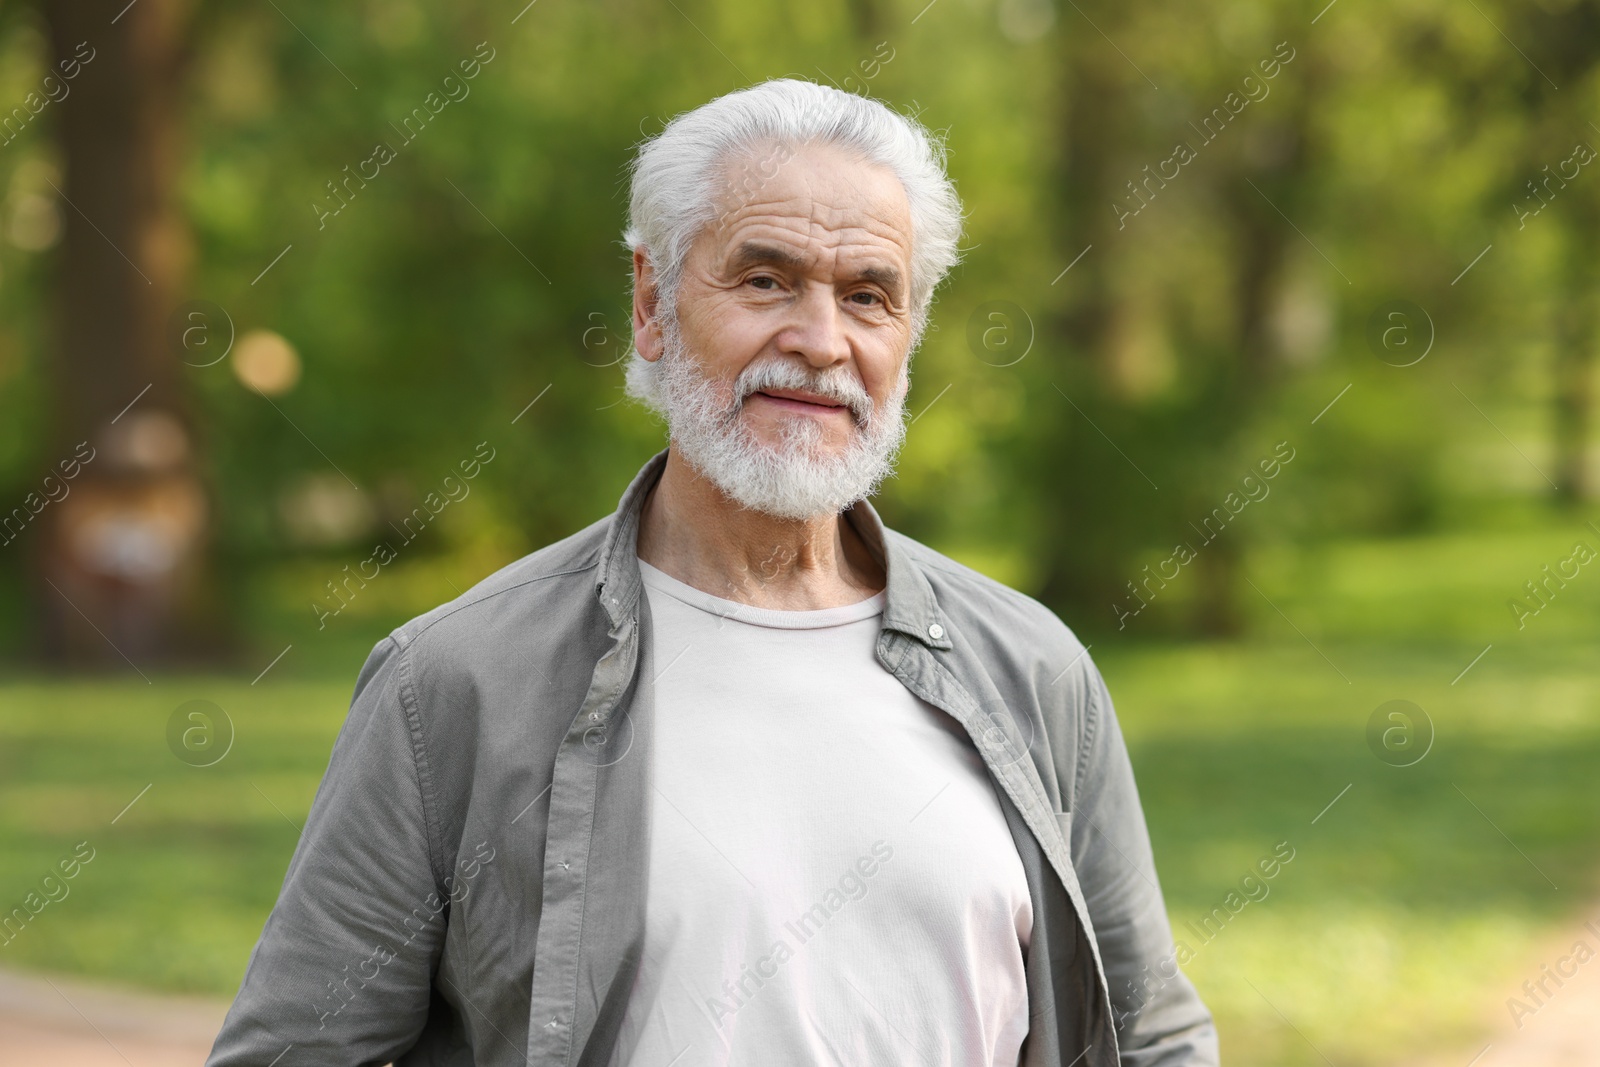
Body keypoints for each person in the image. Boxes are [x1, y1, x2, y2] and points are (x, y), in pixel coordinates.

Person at [207, 77, 1217, 1067]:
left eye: (868, 296)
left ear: (907, 338)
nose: (820, 342)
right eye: (766, 279)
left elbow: (1151, 1036)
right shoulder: (455, 685)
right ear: (653, 303)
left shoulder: (1031, 669)